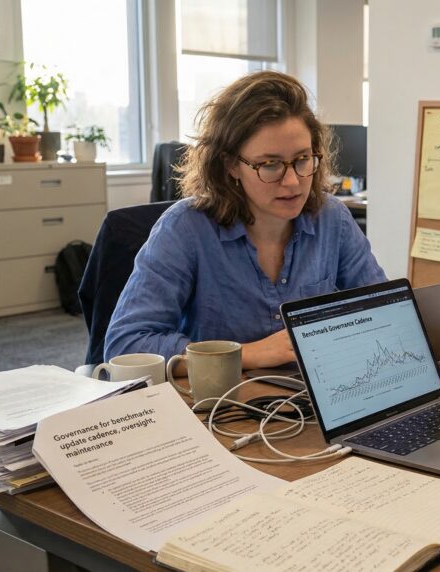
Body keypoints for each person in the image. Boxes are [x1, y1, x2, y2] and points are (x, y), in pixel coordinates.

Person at [105, 71, 386, 369]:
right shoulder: (185, 228)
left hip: (311, 392)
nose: (292, 181)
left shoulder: (332, 218)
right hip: (225, 396)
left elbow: (385, 311)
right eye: (270, 164)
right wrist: (246, 354)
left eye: (303, 159)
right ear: (231, 165)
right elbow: (125, 344)